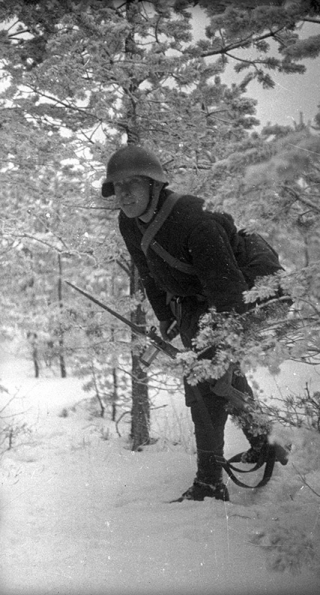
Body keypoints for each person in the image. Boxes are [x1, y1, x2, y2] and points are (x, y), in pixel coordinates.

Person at [102, 145, 290, 502]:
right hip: (194, 301)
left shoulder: (196, 220)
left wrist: (220, 347)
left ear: (155, 186)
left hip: (239, 295)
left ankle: (209, 481)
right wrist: (166, 319)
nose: (123, 194)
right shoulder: (129, 222)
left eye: (133, 184)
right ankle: (265, 443)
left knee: (206, 386)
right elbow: (149, 273)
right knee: (221, 381)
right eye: (118, 185)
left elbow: (229, 294)